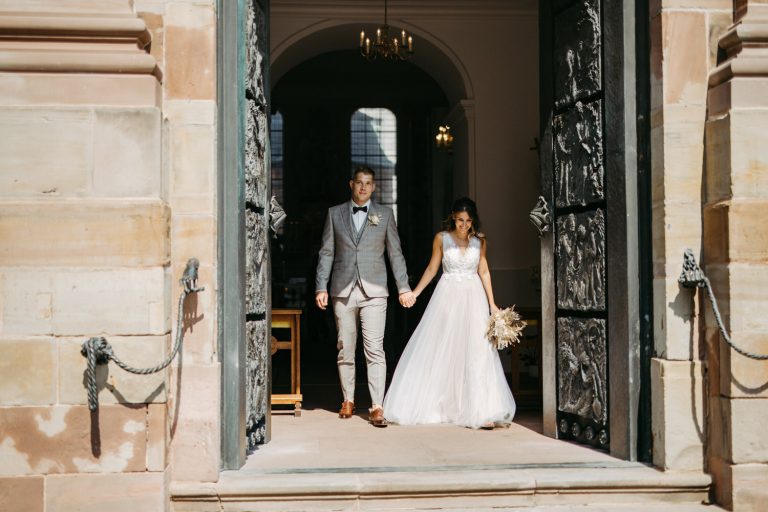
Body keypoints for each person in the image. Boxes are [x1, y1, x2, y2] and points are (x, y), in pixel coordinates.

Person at [383, 197, 516, 429]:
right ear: (453, 217)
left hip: (474, 297)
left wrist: (492, 303)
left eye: (468, 221)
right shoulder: (441, 239)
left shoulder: (480, 241)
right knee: (443, 346)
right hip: (447, 297)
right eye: (460, 220)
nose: (464, 225)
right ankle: (442, 404)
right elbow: (433, 268)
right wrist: (415, 292)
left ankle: (480, 409)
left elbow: (484, 271)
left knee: (477, 350)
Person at [315, 166, 415, 428]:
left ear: (373, 187)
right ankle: (348, 399)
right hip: (342, 290)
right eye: (359, 182)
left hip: (375, 292)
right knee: (345, 347)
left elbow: (395, 253)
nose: (363, 187)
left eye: (368, 183)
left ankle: (377, 406)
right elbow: (326, 252)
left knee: (374, 349)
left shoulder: (384, 214)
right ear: (351, 184)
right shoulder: (334, 214)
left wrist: (403, 286)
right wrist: (321, 286)